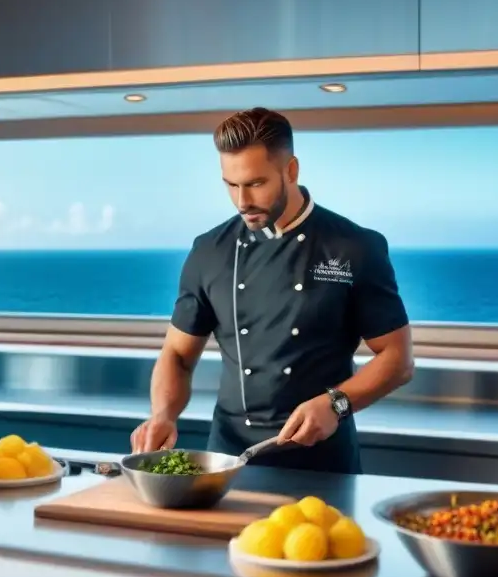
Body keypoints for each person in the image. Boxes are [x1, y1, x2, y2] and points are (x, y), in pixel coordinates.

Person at [130, 107, 413, 474]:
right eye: (231, 185)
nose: (242, 201)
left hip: (323, 464)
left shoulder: (353, 247)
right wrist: (163, 415)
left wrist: (336, 403)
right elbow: (178, 356)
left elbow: (398, 358)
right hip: (228, 463)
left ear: (291, 171)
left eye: (255, 183)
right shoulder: (209, 252)